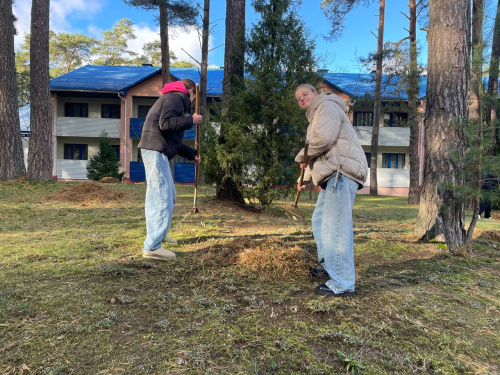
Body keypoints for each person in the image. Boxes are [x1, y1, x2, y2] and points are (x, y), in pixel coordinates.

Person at [294, 84, 368, 297]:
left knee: (336, 226)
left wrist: (301, 156)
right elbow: (315, 154)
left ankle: (344, 283)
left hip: (342, 171)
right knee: (319, 221)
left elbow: (323, 141)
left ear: (314, 94)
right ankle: (331, 266)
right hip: (332, 173)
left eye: (305, 94)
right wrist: (305, 179)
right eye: (299, 98)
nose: (302, 99)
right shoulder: (315, 118)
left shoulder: (327, 106)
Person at [138, 78, 202, 260]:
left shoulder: (173, 98)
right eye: (193, 98)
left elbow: (173, 139)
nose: (192, 102)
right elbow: (165, 123)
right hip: (155, 150)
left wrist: (192, 154)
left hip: (159, 150)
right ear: (190, 91)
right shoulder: (176, 96)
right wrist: (191, 120)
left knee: (169, 195)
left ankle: (161, 233)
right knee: (160, 197)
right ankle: (152, 247)